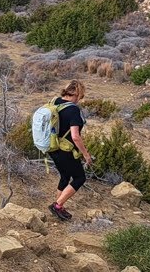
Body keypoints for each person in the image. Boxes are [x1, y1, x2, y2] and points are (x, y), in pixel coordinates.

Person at [48, 79, 93, 221]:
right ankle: (57, 205)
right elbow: (75, 136)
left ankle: (59, 206)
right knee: (80, 178)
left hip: (52, 146)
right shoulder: (73, 110)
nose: (80, 99)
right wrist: (86, 154)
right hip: (65, 150)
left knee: (65, 176)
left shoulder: (55, 102)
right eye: (81, 96)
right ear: (77, 94)